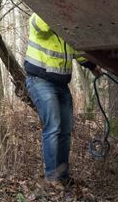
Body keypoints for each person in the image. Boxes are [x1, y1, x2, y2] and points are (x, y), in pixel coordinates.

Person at [23, 10, 91, 186]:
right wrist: (54, 9)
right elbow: (41, 24)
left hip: (61, 85)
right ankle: (52, 178)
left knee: (66, 131)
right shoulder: (39, 18)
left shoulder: (66, 31)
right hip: (40, 80)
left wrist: (93, 66)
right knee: (53, 127)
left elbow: (77, 51)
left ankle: (62, 176)